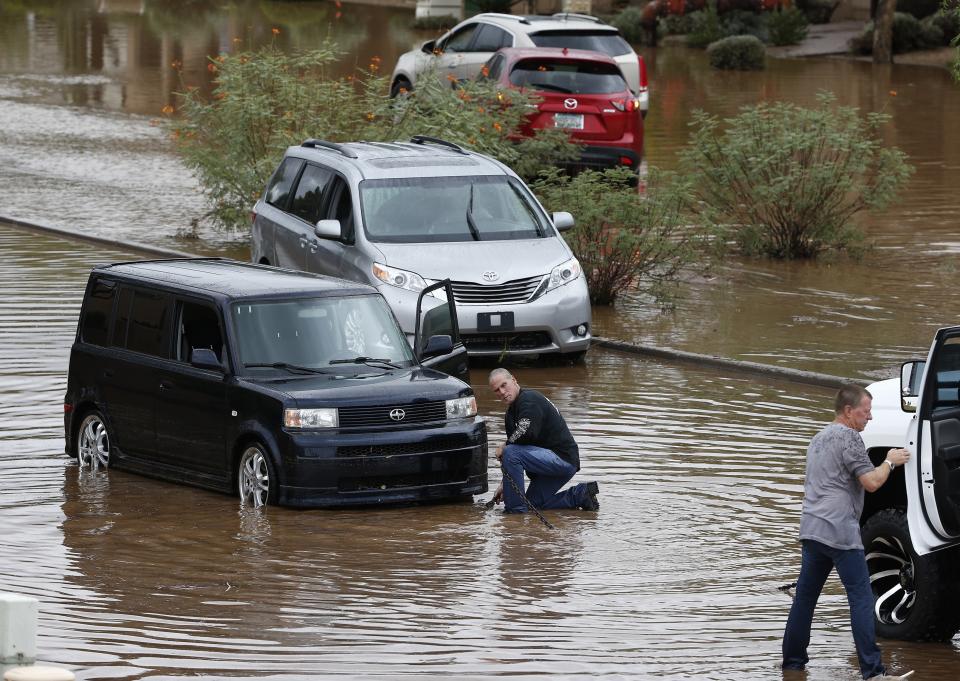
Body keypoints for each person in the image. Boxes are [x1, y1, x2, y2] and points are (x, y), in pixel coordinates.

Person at [782, 384, 911, 680]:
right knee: (862, 599)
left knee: (804, 599)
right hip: (840, 532)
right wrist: (891, 461)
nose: (870, 419)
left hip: (812, 529)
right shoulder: (850, 438)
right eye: (866, 412)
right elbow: (872, 482)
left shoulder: (817, 439)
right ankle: (873, 672)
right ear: (849, 411)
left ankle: (793, 665)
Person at [488, 368, 599, 513]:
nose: (502, 392)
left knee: (511, 452)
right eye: (497, 390)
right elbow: (512, 451)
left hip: (562, 459)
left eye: (504, 385)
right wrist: (504, 485)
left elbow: (525, 433)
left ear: (514, 380)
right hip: (550, 465)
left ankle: (514, 516)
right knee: (532, 506)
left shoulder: (529, 399)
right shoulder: (510, 415)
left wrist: (505, 445)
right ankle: (581, 495)